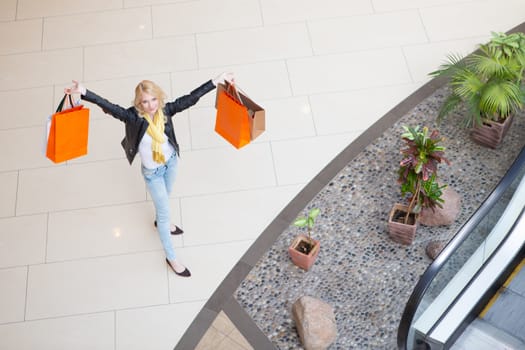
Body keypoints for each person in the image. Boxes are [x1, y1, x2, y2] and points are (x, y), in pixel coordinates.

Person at [65, 72, 234, 277]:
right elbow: (109, 106)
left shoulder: (166, 111)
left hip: (170, 163)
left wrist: (215, 81)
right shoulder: (132, 117)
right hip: (152, 173)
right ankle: (171, 257)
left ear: (158, 97)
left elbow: (191, 98)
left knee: (166, 197)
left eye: (153, 99)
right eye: (145, 101)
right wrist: (84, 92)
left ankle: (160, 221)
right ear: (139, 103)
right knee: (164, 214)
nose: (151, 105)